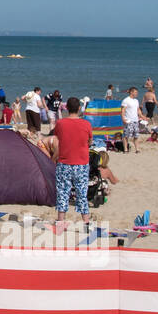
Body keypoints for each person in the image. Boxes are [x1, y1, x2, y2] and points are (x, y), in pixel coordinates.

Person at [51, 97, 93, 231]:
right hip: (81, 163)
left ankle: (60, 222)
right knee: (82, 193)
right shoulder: (86, 124)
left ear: (66, 108)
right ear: (79, 108)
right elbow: (89, 141)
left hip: (65, 162)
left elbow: (58, 139)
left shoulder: (61, 123)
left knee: (63, 192)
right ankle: (86, 223)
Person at [121, 86, 142, 155]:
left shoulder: (136, 101)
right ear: (131, 92)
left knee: (136, 135)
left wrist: (142, 116)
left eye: (137, 92)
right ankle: (125, 149)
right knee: (126, 135)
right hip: (128, 120)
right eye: (135, 92)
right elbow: (123, 110)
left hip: (135, 120)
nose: (137, 94)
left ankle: (137, 149)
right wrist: (123, 118)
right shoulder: (126, 100)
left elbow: (138, 110)